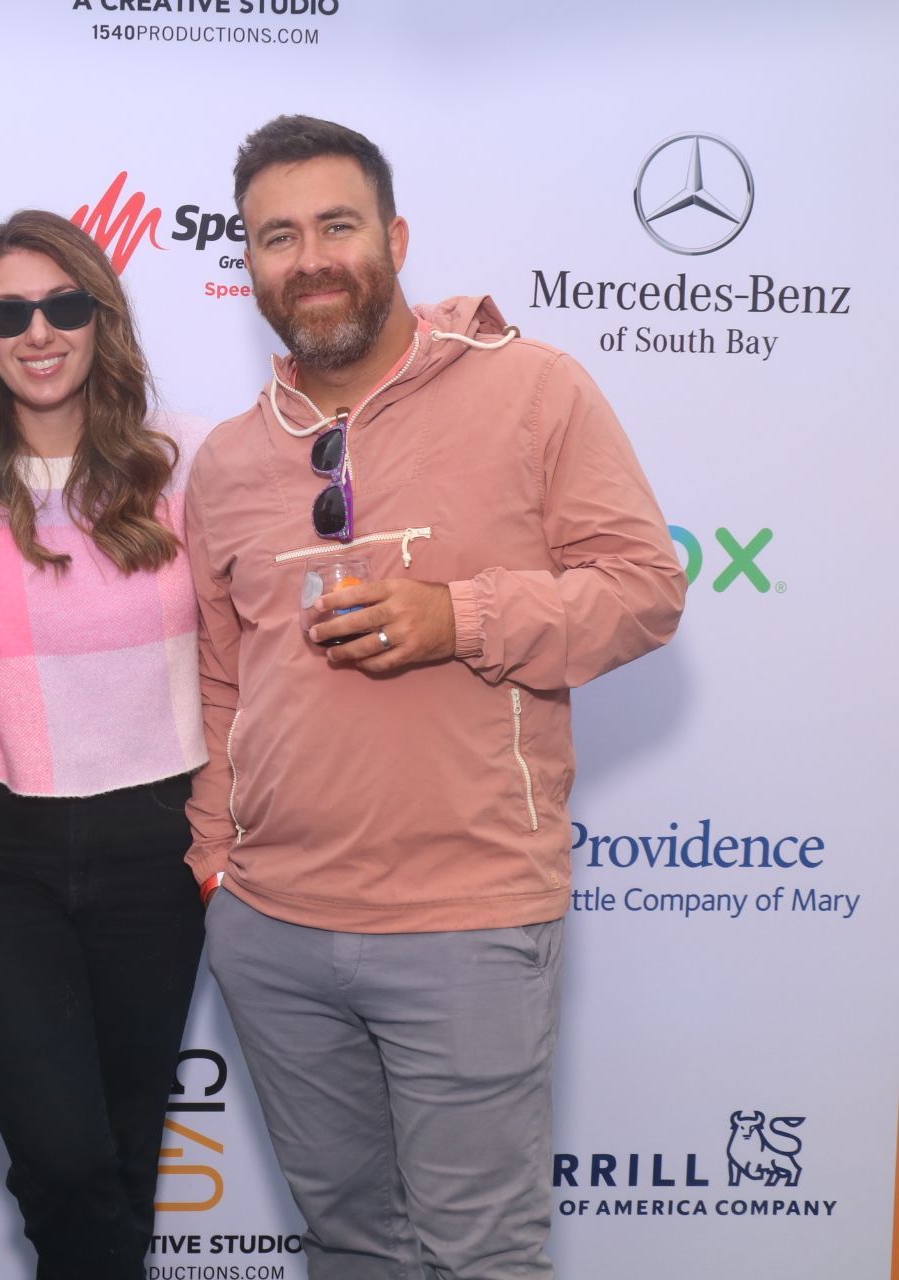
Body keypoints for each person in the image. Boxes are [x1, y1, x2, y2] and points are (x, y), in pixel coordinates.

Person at [185, 115, 687, 1279]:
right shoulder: (227, 461)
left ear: (396, 238)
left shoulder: (534, 390)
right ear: (247, 263)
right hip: (272, 930)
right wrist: (216, 862)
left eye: (337, 226)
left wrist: (459, 616)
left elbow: (645, 589)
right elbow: (219, 678)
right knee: (351, 1247)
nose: (311, 258)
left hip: (464, 923)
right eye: (277, 236)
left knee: (480, 1256)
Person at [0, 209, 207, 1280]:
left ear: (102, 317)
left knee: (124, 1154)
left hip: (157, 837)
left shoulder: (183, 463)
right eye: (8, 313)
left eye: (63, 305)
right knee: (61, 1161)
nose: (39, 333)